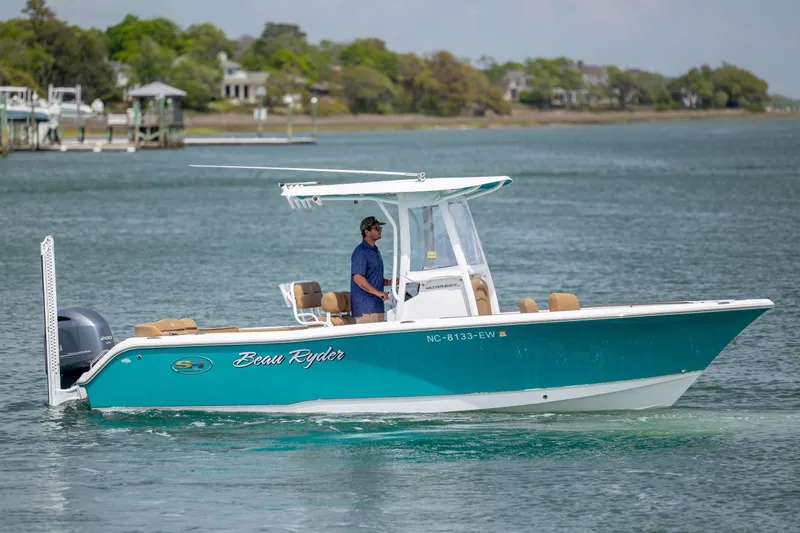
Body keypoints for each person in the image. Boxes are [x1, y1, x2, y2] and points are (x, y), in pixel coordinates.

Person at [351, 216, 395, 323]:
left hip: (377, 307)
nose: (380, 230)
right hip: (365, 310)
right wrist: (378, 293)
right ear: (367, 232)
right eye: (377, 228)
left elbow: (373, 276)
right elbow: (358, 277)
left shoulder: (375, 251)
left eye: (380, 228)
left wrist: (389, 282)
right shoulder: (361, 252)